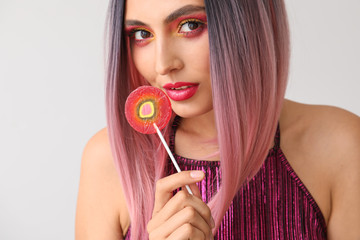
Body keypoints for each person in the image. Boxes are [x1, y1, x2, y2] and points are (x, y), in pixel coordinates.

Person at [75, 0, 360, 239]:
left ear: (247, 22)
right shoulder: (109, 159)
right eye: (141, 34)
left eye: (190, 25)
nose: (163, 64)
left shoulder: (339, 146)